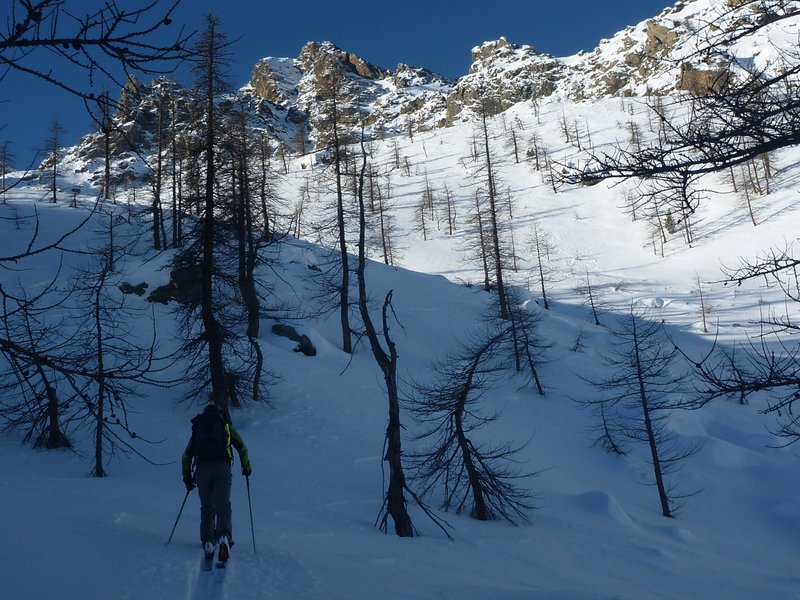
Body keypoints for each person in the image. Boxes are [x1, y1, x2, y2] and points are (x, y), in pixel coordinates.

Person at [182, 403, 251, 563]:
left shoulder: (198, 429)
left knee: (207, 506)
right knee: (223, 505)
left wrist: (187, 477)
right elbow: (242, 447)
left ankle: (207, 540)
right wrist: (246, 466)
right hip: (222, 468)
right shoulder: (224, 426)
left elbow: (186, 456)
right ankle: (224, 537)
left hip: (202, 470)